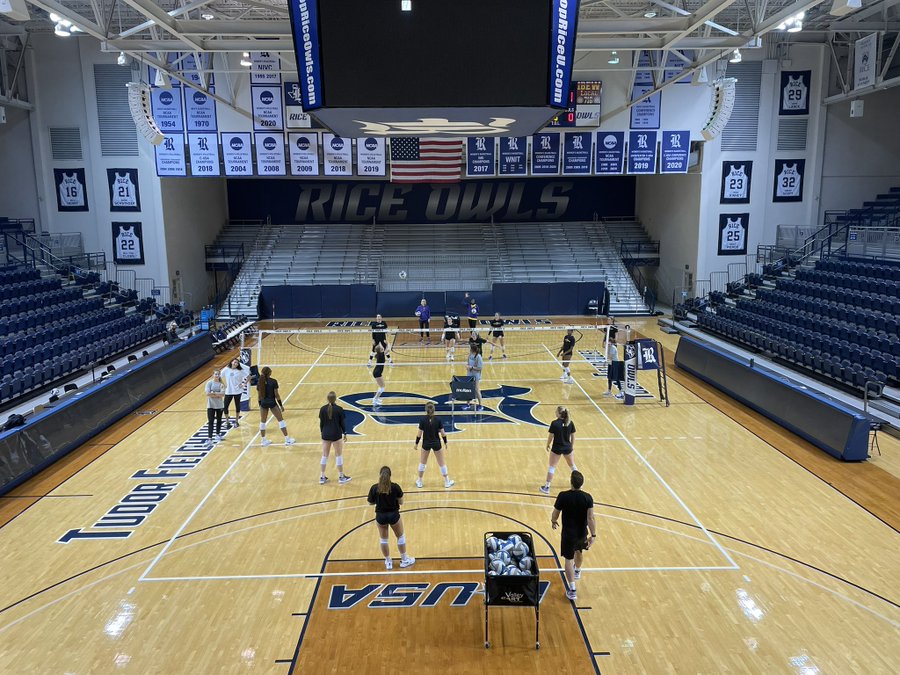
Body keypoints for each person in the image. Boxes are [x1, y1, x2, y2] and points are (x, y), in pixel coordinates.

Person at [551, 470, 596, 601]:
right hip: (581, 533)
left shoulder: (563, 496)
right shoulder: (588, 497)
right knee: (579, 551)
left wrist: (553, 521)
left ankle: (572, 590)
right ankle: (577, 571)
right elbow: (590, 518)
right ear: (582, 484)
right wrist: (593, 535)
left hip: (568, 535)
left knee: (568, 560)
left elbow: (556, 512)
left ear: (571, 482)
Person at [367, 466, 416, 570]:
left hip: (380, 516)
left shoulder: (374, 488)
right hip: (393, 515)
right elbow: (401, 502)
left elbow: (370, 502)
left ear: (380, 475)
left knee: (384, 540)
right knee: (400, 537)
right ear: (390, 476)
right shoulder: (395, 487)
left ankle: (388, 562)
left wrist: (378, 501)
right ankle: (404, 560)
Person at [414, 402, 454, 488]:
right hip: (436, 443)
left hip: (426, 444)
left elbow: (419, 434)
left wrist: (416, 444)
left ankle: (419, 481)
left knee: (422, 463)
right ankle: (447, 481)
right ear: (434, 410)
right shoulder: (438, 419)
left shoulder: (422, 420)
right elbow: (443, 433)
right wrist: (446, 442)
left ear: (426, 410)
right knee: (442, 463)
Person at [540, 406, 577, 494]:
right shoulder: (570, 422)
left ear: (559, 414)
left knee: (552, 467)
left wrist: (548, 444)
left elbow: (551, 436)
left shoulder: (554, 423)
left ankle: (547, 487)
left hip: (557, 448)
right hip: (567, 447)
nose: (555, 412)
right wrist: (571, 446)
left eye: (556, 411)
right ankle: (578, 485)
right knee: (572, 466)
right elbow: (573, 436)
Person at [257, 366, 294, 446]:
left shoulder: (259, 382)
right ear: (269, 373)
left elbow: (259, 396)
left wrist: (260, 405)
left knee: (262, 421)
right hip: (272, 403)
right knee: (281, 420)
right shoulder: (273, 381)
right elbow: (276, 395)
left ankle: (263, 441)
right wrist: (281, 405)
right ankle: (287, 440)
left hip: (263, 403)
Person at [319, 391, 351, 485]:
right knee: (338, 455)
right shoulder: (339, 409)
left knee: (324, 455)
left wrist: (322, 433)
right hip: (336, 434)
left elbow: (321, 423)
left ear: (327, 399)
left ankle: (322, 477)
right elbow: (342, 423)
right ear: (335, 399)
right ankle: (341, 476)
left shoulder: (322, 409)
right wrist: (345, 433)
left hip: (325, 434)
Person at [221, 357, 249, 428]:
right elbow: (219, 377)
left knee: (237, 406)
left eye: (237, 363)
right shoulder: (226, 369)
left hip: (237, 391)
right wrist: (223, 384)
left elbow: (249, 376)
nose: (236, 363)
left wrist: (244, 384)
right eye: (234, 362)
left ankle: (236, 421)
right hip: (228, 391)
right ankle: (227, 422)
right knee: (225, 407)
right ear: (231, 362)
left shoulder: (240, 370)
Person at [205, 368, 226, 447]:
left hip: (219, 405)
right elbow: (207, 393)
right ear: (213, 375)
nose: (217, 375)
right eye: (215, 374)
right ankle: (210, 438)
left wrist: (213, 393)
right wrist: (217, 394)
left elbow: (222, 394)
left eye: (218, 374)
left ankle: (217, 434)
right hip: (210, 405)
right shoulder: (209, 383)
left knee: (219, 420)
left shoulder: (221, 384)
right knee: (211, 422)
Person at [463, 343, 483, 411]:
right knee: (469, 389)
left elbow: (480, 368)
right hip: (469, 374)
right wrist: (467, 366)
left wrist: (471, 367)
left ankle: (480, 405)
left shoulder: (478, 357)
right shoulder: (470, 355)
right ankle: (468, 404)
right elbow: (468, 363)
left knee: (477, 390)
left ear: (472, 349)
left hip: (476, 375)